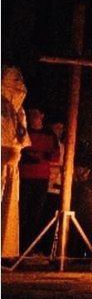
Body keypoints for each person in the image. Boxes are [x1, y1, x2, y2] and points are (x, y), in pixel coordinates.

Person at [18, 107, 58, 253]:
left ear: (42, 115)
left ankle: (29, 248)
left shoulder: (49, 134)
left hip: (40, 178)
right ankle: (17, 247)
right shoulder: (24, 131)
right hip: (24, 177)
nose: (33, 116)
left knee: (35, 215)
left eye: (36, 113)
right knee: (21, 213)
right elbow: (20, 151)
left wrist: (37, 155)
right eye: (30, 114)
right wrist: (30, 155)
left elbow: (55, 155)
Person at [2, 67, 30, 259]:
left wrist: (15, 150)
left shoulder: (18, 110)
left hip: (11, 164)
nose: (19, 86)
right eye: (14, 81)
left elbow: (21, 137)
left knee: (9, 205)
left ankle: (4, 250)